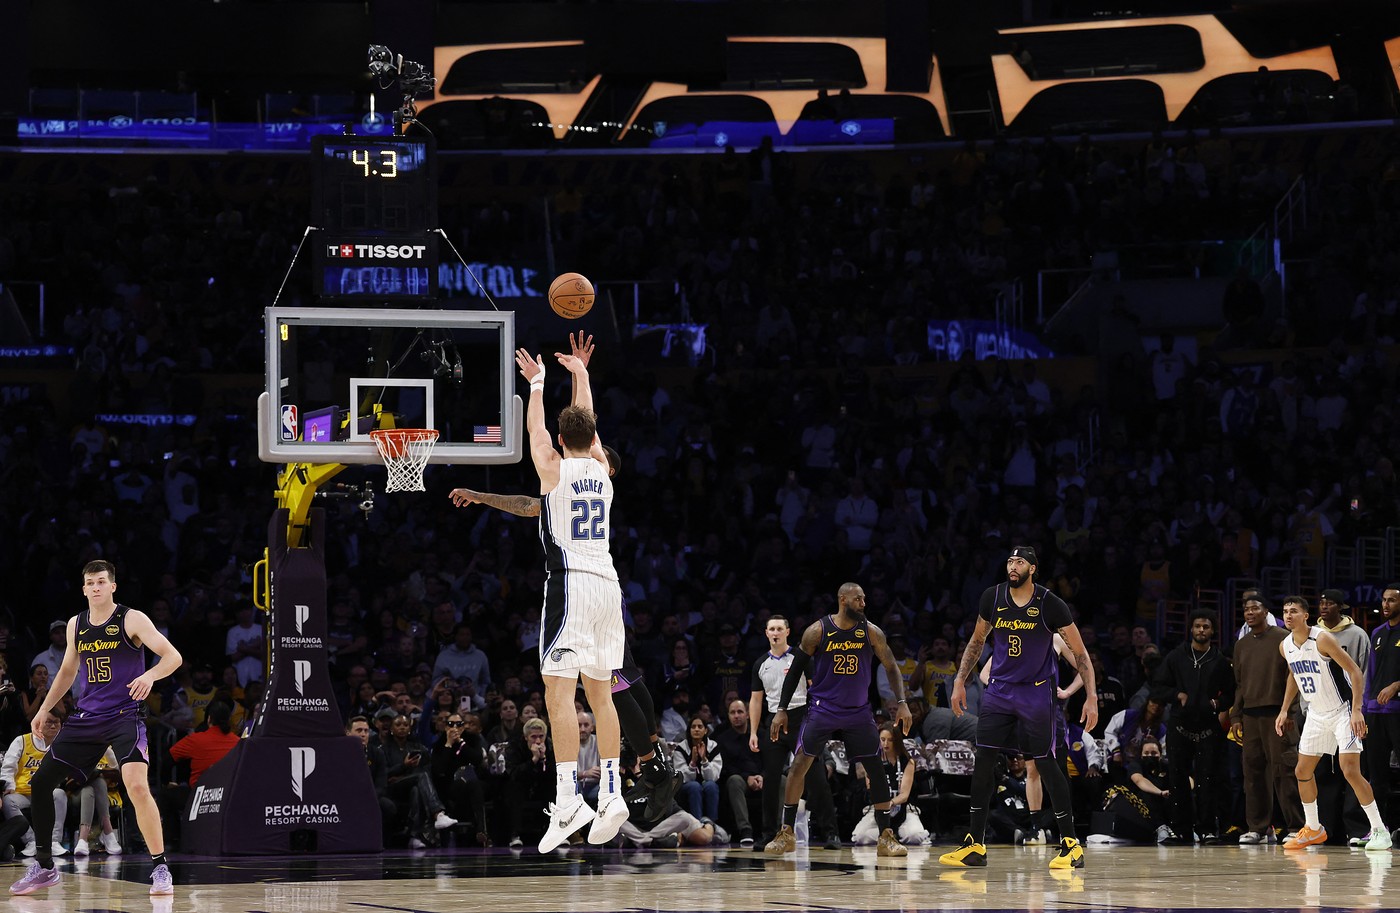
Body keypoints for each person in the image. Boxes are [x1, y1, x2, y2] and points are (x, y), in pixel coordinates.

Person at [512, 343, 627, 851]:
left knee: (557, 693)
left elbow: (534, 430)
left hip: (571, 584)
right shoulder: (603, 466)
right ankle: (612, 791)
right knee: (600, 695)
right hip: (609, 587)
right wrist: (580, 371)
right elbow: (587, 418)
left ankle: (567, 801)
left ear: (561, 440)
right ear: (593, 438)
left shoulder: (552, 467)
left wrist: (536, 383)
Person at [11, 559, 183, 897]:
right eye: (90, 583)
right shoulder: (76, 624)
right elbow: (67, 672)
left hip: (124, 716)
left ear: (113, 585)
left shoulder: (131, 618)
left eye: (101, 582)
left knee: (135, 785)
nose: (96, 588)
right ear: (84, 588)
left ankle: (160, 866)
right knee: (41, 781)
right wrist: (44, 709)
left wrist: (149, 675)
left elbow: (172, 657)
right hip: (86, 718)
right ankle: (45, 867)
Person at [939, 546, 1098, 870]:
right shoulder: (992, 597)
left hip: (1036, 694)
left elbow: (1081, 654)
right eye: (1010, 560)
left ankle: (1071, 844)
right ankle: (976, 844)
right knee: (983, 759)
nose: (1013, 566)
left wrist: (1091, 696)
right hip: (999, 690)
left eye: (1020, 562)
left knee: (1045, 762)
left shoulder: (1050, 603)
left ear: (1033, 568)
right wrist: (959, 681)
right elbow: (976, 642)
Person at [765, 582, 913, 858]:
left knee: (875, 767)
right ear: (843, 600)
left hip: (858, 711)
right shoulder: (817, 631)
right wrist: (781, 709)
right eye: (858, 599)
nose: (864, 604)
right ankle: (786, 832)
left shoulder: (871, 632)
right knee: (799, 764)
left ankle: (885, 835)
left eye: (865, 599)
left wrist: (902, 703)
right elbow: (795, 669)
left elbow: (891, 666)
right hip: (823, 708)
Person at [1275, 594, 1391, 850]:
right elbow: (1294, 674)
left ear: (1306, 615)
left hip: (1343, 710)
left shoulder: (1323, 638)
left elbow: (1355, 671)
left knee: (1350, 770)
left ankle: (1380, 830)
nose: (1288, 615)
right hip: (1316, 713)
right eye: (1285, 611)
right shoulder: (1285, 646)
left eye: (1293, 610)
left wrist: (1357, 710)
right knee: (1302, 771)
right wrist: (1284, 709)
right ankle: (1314, 829)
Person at [748, 615, 838, 849]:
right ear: (766, 633)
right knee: (771, 780)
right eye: (771, 629)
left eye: (779, 628)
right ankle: (769, 833)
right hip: (773, 722)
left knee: (816, 777)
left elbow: (815, 688)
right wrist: (754, 731)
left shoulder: (801, 658)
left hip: (801, 718)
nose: (775, 632)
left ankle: (831, 832)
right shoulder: (760, 664)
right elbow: (756, 700)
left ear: (787, 631)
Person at [1228, 592, 1303, 844]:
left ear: (1266, 612)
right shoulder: (1241, 645)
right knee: (1253, 774)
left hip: (1277, 714)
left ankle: (1296, 826)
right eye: (1246, 609)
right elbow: (1239, 684)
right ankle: (1259, 828)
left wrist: (1289, 712)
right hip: (1250, 715)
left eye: (1255, 608)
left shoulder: (1283, 638)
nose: (1250, 613)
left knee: (1285, 771)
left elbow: (1294, 678)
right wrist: (1236, 716)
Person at [1154, 609, 1233, 844]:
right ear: (1191, 629)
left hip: (1209, 727)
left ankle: (1208, 829)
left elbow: (1231, 693)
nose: (1201, 630)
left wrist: (1218, 703)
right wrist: (1177, 694)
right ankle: (1181, 830)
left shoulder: (1219, 660)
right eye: (1198, 626)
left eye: (1206, 627)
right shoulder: (1176, 657)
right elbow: (1157, 687)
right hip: (1179, 726)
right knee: (1177, 778)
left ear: (1213, 631)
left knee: (1207, 779)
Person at [1, 712, 67, 857]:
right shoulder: (22, 741)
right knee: (7, 801)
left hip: (46, 793)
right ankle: (31, 841)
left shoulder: (62, 745)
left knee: (60, 794)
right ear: (38, 723)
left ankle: (54, 841)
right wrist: (10, 786)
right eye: (49, 722)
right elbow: (8, 766)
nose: (53, 725)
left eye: (56, 722)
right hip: (22, 792)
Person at [852, 723, 928, 846]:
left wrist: (891, 803)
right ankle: (889, 836)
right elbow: (870, 788)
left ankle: (896, 834)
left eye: (890, 740)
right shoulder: (871, 761)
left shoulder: (908, 761)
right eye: (882, 740)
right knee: (860, 837)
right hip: (878, 808)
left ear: (897, 741)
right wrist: (884, 805)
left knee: (915, 836)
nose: (886, 744)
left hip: (902, 808)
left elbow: (904, 795)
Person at [1365, 584, 1400, 833]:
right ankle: (1379, 828)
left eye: (1392, 601)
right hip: (1376, 712)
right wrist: (1366, 706)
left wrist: (1397, 685)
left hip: (1398, 711)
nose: (1386, 605)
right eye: (1384, 600)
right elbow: (1371, 675)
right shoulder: (1376, 633)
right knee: (1376, 776)